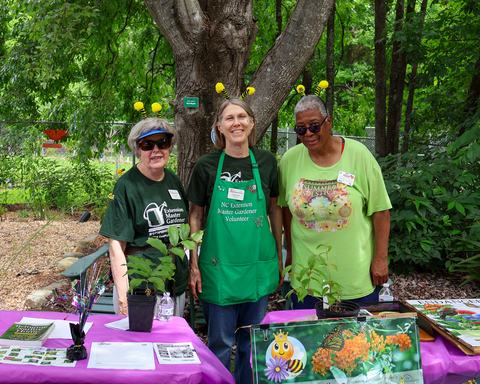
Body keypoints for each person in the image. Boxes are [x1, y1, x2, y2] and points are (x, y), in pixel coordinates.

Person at [188, 98, 282, 383]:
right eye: (229, 118)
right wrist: (194, 265)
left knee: (250, 345)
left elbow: (275, 211)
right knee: (219, 344)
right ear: (220, 126)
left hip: (257, 266)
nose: (236, 123)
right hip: (218, 269)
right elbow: (195, 216)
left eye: (242, 117)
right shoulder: (206, 166)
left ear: (252, 123)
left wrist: (280, 258)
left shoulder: (266, 162)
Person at [279, 95, 391, 309]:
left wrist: (380, 258)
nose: (308, 134)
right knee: (308, 341)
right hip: (306, 279)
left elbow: (381, 211)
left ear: (328, 122)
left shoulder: (359, 155)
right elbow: (284, 208)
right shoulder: (289, 161)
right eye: (301, 129)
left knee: (356, 341)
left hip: (355, 278)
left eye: (314, 126)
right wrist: (290, 252)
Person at [100, 117, 189, 316]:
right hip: (141, 285)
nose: (156, 150)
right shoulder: (127, 186)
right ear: (137, 149)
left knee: (170, 342)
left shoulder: (173, 180)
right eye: (147, 144)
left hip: (173, 284)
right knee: (139, 344)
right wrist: (124, 298)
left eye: (163, 143)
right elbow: (116, 246)